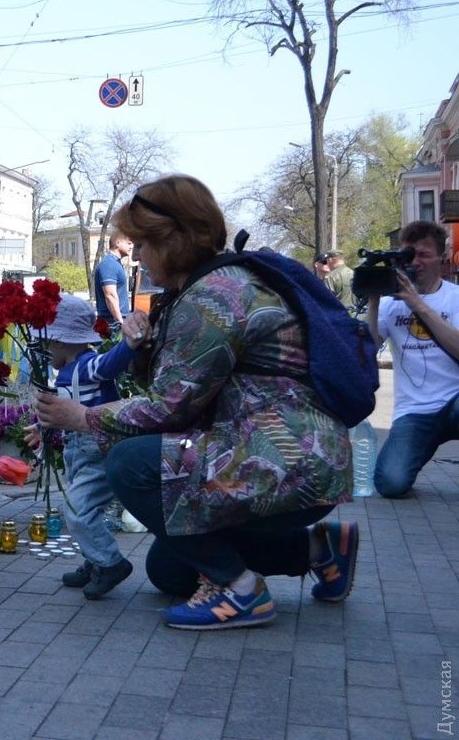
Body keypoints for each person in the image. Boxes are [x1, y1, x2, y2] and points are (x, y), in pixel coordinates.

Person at [35, 174, 356, 630]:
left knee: (129, 464)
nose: (139, 255)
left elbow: (167, 409)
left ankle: (241, 591)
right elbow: (184, 387)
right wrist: (142, 349)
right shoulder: (204, 288)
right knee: (169, 569)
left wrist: (84, 417)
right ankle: (320, 549)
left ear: (173, 240)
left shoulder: (213, 298)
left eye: (144, 244)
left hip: (285, 458)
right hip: (288, 455)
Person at [39, 295, 151, 600]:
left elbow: (111, 363)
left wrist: (128, 344)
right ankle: (95, 561)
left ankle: (111, 562)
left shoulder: (87, 365)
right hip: (78, 449)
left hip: (97, 448)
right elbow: (63, 409)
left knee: (77, 508)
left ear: (62, 342)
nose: (47, 351)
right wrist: (42, 428)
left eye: (49, 344)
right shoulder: (66, 371)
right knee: (87, 508)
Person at [365, 221, 459, 498]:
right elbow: (369, 348)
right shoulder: (389, 304)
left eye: (424, 255)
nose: (415, 262)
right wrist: (373, 301)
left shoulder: (455, 298)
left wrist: (416, 303)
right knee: (390, 483)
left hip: (455, 400)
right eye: (409, 254)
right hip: (415, 411)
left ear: (441, 257)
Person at [94, 230, 133, 328]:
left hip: (115, 321)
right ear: (118, 243)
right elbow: (110, 295)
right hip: (111, 323)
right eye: (129, 243)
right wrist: (120, 322)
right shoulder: (109, 264)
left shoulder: (116, 263)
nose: (131, 246)